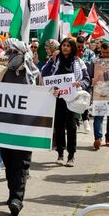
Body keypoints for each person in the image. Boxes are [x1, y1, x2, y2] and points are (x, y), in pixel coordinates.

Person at [0, 38, 39, 216]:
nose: (9, 55)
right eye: (7, 52)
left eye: (13, 52)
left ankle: (16, 199)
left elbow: (44, 95)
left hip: (25, 126)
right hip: (5, 124)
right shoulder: (1, 71)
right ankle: (13, 192)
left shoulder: (33, 74)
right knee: (8, 159)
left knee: (21, 162)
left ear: (22, 53)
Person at [41, 37, 89, 166]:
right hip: (58, 98)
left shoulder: (79, 62)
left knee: (72, 127)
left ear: (72, 48)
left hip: (73, 99)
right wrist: (52, 59)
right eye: (63, 45)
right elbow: (45, 74)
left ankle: (71, 155)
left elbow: (86, 79)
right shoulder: (56, 61)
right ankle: (60, 154)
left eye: (68, 45)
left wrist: (80, 83)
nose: (65, 48)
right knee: (59, 126)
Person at [90, 42, 109, 149]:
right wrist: (92, 80)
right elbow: (90, 75)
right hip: (99, 93)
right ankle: (98, 139)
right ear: (100, 51)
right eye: (103, 52)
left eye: (107, 52)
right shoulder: (96, 62)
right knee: (98, 117)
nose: (105, 54)